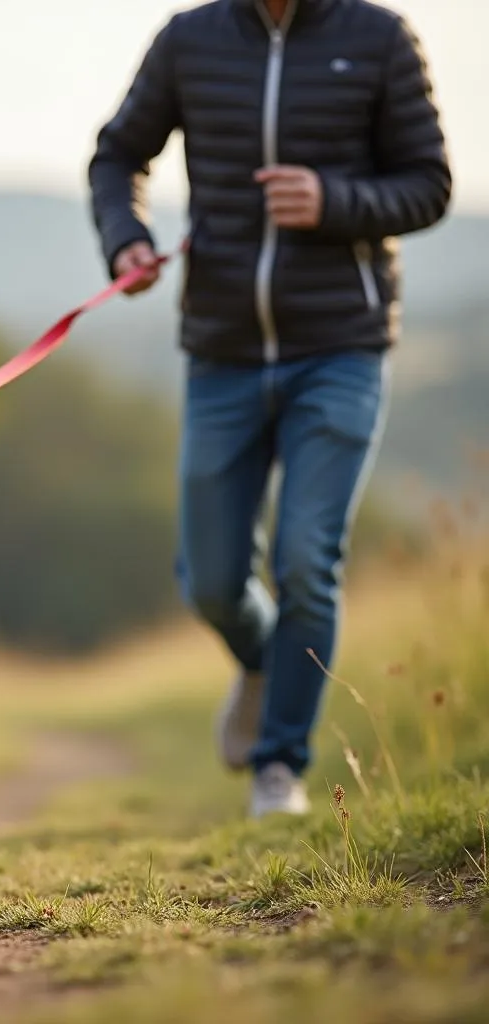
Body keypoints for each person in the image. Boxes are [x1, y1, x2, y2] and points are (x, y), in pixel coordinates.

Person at [88, 0, 451, 817]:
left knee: (304, 560)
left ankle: (278, 766)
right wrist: (126, 239)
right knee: (212, 580)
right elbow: (117, 157)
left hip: (342, 347)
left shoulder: (380, 38)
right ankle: (263, 661)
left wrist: (334, 201)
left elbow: (430, 185)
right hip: (222, 349)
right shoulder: (190, 40)